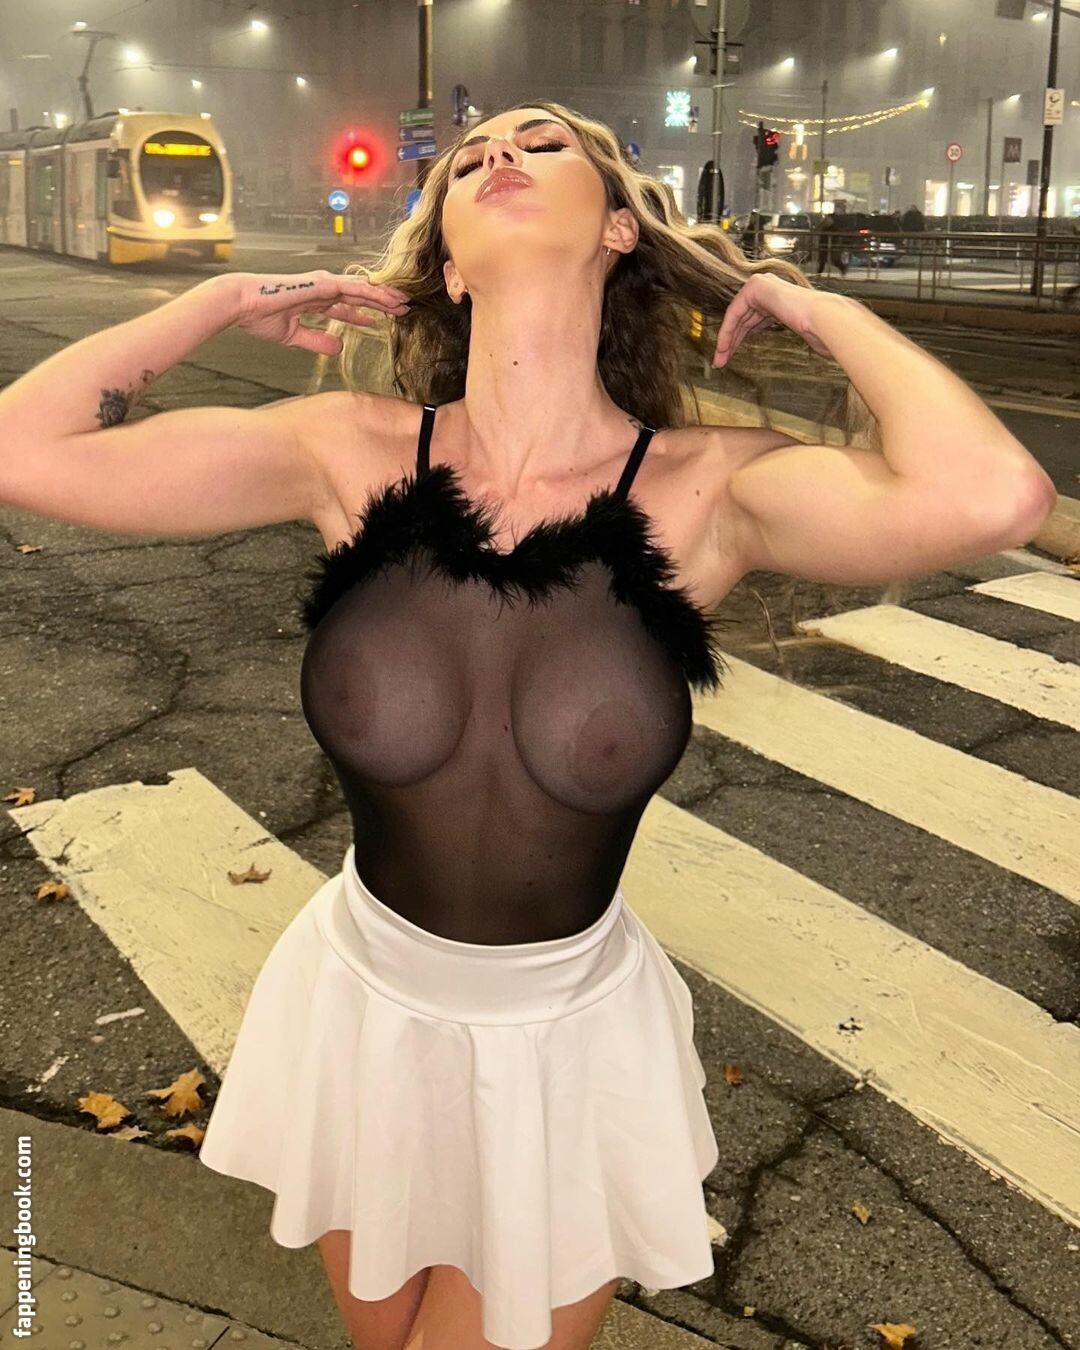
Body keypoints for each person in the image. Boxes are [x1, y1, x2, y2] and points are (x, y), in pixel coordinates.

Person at [0, 99, 1053, 1350]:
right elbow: (21, 449)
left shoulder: (709, 489)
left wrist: (821, 311)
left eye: (543, 143)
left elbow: (994, 495)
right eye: (470, 160)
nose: (499, 154)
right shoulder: (345, 451)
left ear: (618, 228)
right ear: (448, 260)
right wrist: (214, 305)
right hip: (362, 1010)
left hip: (565, 1046)